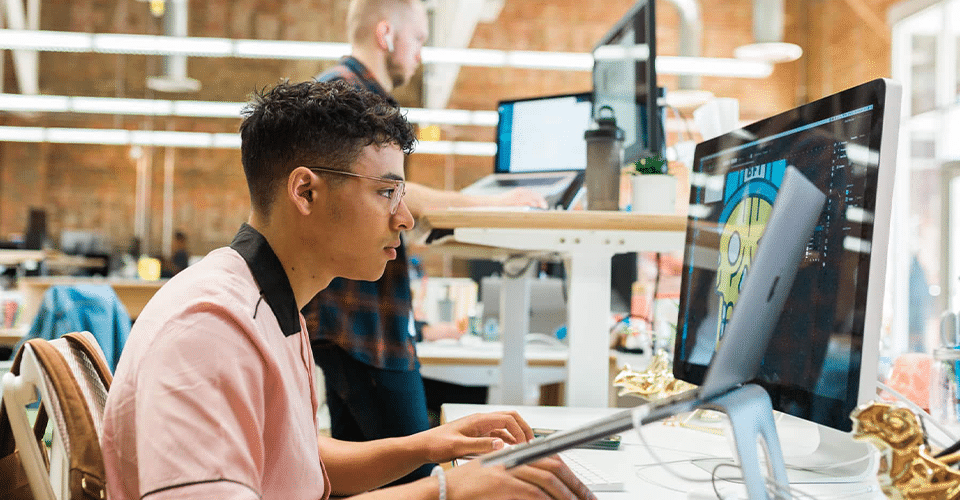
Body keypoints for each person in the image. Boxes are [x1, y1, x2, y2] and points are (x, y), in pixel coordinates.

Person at [100, 79, 594, 500]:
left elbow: (294, 457)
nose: (403, 218)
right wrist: (447, 489)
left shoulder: (269, 303)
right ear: (306, 192)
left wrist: (432, 445)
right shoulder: (208, 333)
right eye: (386, 192)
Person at [304, 0, 547, 483]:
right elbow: (396, 194)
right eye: (417, 40)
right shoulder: (349, 97)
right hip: (363, 325)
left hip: (354, 322)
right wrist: (495, 204)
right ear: (386, 34)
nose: (419, 56)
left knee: (362, 479)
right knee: (419, 477)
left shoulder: (349, 95)